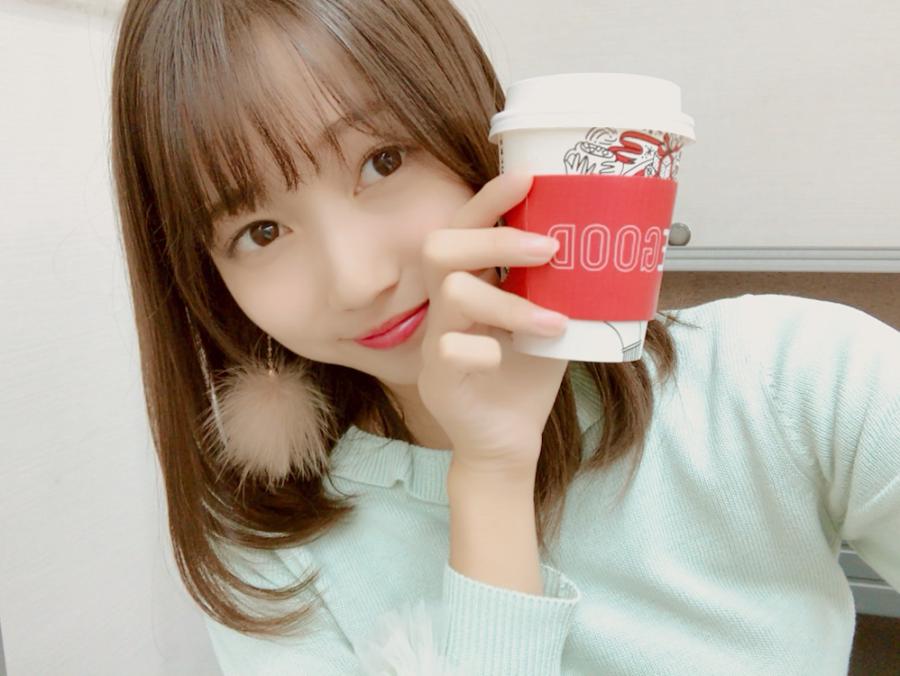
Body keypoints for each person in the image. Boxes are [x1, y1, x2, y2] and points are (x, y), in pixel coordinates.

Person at [108, 1, 900, 674]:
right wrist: (491, 479)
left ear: (480, 129)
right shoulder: (269, 550)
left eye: (383, 161)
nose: (356, 279)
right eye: (260, 230)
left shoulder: (791, 380)